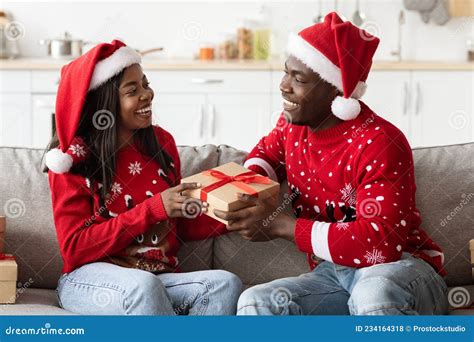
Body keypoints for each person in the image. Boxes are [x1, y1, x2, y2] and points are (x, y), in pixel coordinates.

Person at [214, 12, 448, 315]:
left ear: (338, 91)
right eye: (286, 73)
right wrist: (247, 191)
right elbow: (265, 157)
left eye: (299, 79)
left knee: (373, 295)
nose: (284, 86)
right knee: (257, 302)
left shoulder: (380, 142)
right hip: (334, 272)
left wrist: (284, 226)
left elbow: (381, 245)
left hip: (403, 268)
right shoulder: (292, 128)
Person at [44, 40, 241, 315]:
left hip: (157, 278)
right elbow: (74, 249)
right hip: (89, 280)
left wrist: (229, 216)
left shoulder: (161, 144)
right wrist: (153, 209)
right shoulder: (73, 161)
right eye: (132, 90)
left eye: (145, 84)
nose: (147, 94)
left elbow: (177, 226)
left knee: (224, 284)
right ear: (106, 103)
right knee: (144, 287)